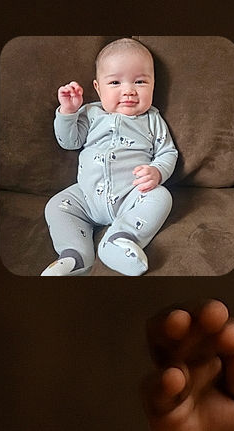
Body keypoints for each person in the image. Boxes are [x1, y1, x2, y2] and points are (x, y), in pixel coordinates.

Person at [41, 38, 177, 277]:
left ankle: (120, 239)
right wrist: (68, 113)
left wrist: (157, 171)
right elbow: (69, 142)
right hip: (86, 196)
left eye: (140, 81)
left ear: (153, 85)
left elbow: (167, 152)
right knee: (56, 206)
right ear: (98, 87)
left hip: (132, 195)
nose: (129, 90)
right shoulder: (91, 113)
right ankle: (75, 255)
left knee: (162, 197)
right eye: (115, 82)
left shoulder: (152, 119)